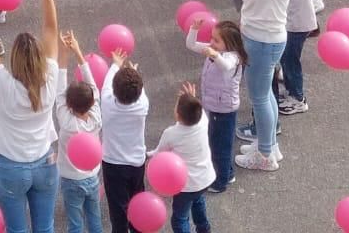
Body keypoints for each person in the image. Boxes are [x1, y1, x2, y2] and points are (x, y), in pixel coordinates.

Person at [0, 0, 61, 233]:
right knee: (45, 228)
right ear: (39, 58)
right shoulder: (51, 76)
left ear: (14, 59)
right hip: (46, 164)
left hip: (11, 168)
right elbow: (51, 29)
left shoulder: (4, 83)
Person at [231, 0, 298, 173]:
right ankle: (268, 144)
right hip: (258, 38)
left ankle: (265, 154)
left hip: (263, 42)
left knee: (259, 97)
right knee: (265, 95)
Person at [187, 20, 244, 194]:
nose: (212, 42)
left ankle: (220, 182)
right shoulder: (214, 51)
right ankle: (229, 173)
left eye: (216, 40)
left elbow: (225, 65)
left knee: (221, 146)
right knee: (217, 142)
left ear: (230, 43)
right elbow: (191, 45)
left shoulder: (233, 57)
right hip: (213, 106)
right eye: (211, 38)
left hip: (224, 109)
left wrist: (214, 54)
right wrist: (193, 29)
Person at [54, 32, 103, 233]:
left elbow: (59, 90)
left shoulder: (67, 124)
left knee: (75, 223)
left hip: (70, 179)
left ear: (68, 104)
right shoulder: (96, 118)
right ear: (92, 102)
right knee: (94, 218)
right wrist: (78, 52)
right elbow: (93, 86)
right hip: (92, 176)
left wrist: (64, 54)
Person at [152, 86, 214, 233]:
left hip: (185, 185)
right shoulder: (202, 122)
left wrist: (149, 157)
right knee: (198, 201)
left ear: (178, 114)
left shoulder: (171, 133)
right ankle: (204, 229)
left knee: (179, 218)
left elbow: (159, 154)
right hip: (205, 179)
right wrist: (192, 98)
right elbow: (199, 110)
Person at [99, 50, 148, 233]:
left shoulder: (107, 102)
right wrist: (133, 72)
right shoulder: (142, 105)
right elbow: (139, 89)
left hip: (113, 165)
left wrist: (115, 64)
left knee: (117, 210)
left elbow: (106, 83)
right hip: (136, 163)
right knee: (137, 204)